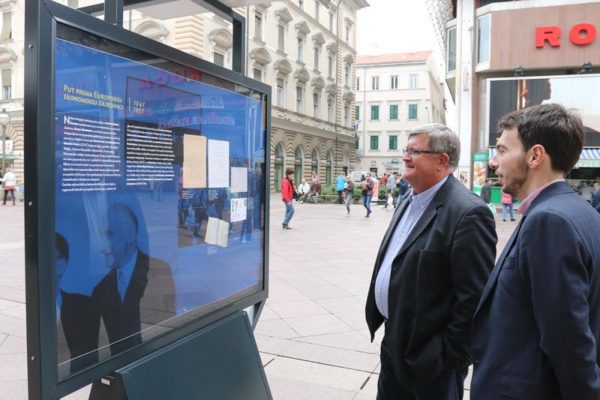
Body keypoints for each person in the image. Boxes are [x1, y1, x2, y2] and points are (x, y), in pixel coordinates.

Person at [471, 103, 600, 399]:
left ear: (535, 155)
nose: (494, 162)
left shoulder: (549, 221)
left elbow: (568, 341)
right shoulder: (582, 212)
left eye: (502, 150)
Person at [365, 123, 497, 400]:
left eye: (415, 151)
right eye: (406, 150)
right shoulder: (407, 201)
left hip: (432, 360)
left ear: (441, 161)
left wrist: (444, 356)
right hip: (394, 342)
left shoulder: (469, 214)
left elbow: (473, 301)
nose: (405, 157)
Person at [61, 203, 176, 364]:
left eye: (108, 234)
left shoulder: (158, 269)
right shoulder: (101, 288)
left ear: (129, 235)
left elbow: (166, 327)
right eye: (100, 236)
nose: (101, 246)